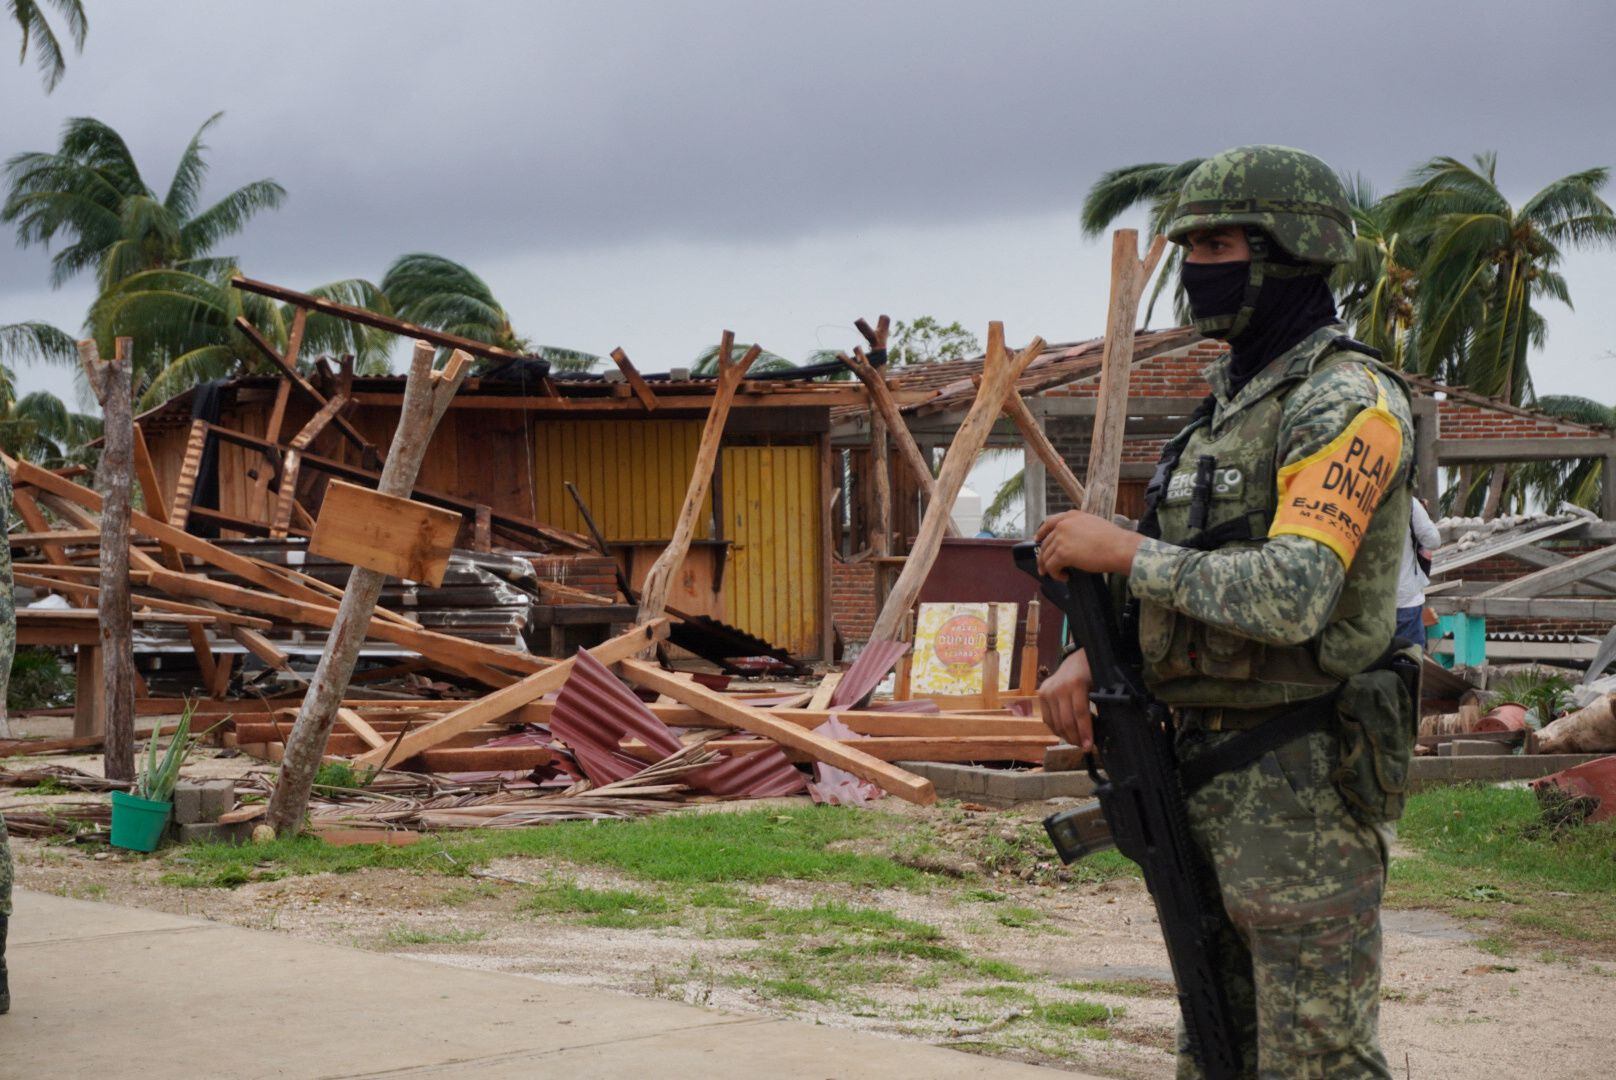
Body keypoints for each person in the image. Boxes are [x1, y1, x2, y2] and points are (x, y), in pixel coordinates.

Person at [1035, 145, 1413, 1078]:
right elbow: (1199, 568)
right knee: (1214, 1048)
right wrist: (1106, 648)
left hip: (1303, 783)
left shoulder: (1347, 401)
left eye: (1217, 240)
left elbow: (1291, 595)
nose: (1197, 264)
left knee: (1314, 1061)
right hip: (1199, 772)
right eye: (1189, 242)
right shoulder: (1225, 412)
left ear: (1288, 248)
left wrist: (1123, 551)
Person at [1398, 498, 1439, 647]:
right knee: (1408, 663)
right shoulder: (1409, 503)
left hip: (1366, 607)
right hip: (1404, 601)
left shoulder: (1353, 496)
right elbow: (1433, 541)